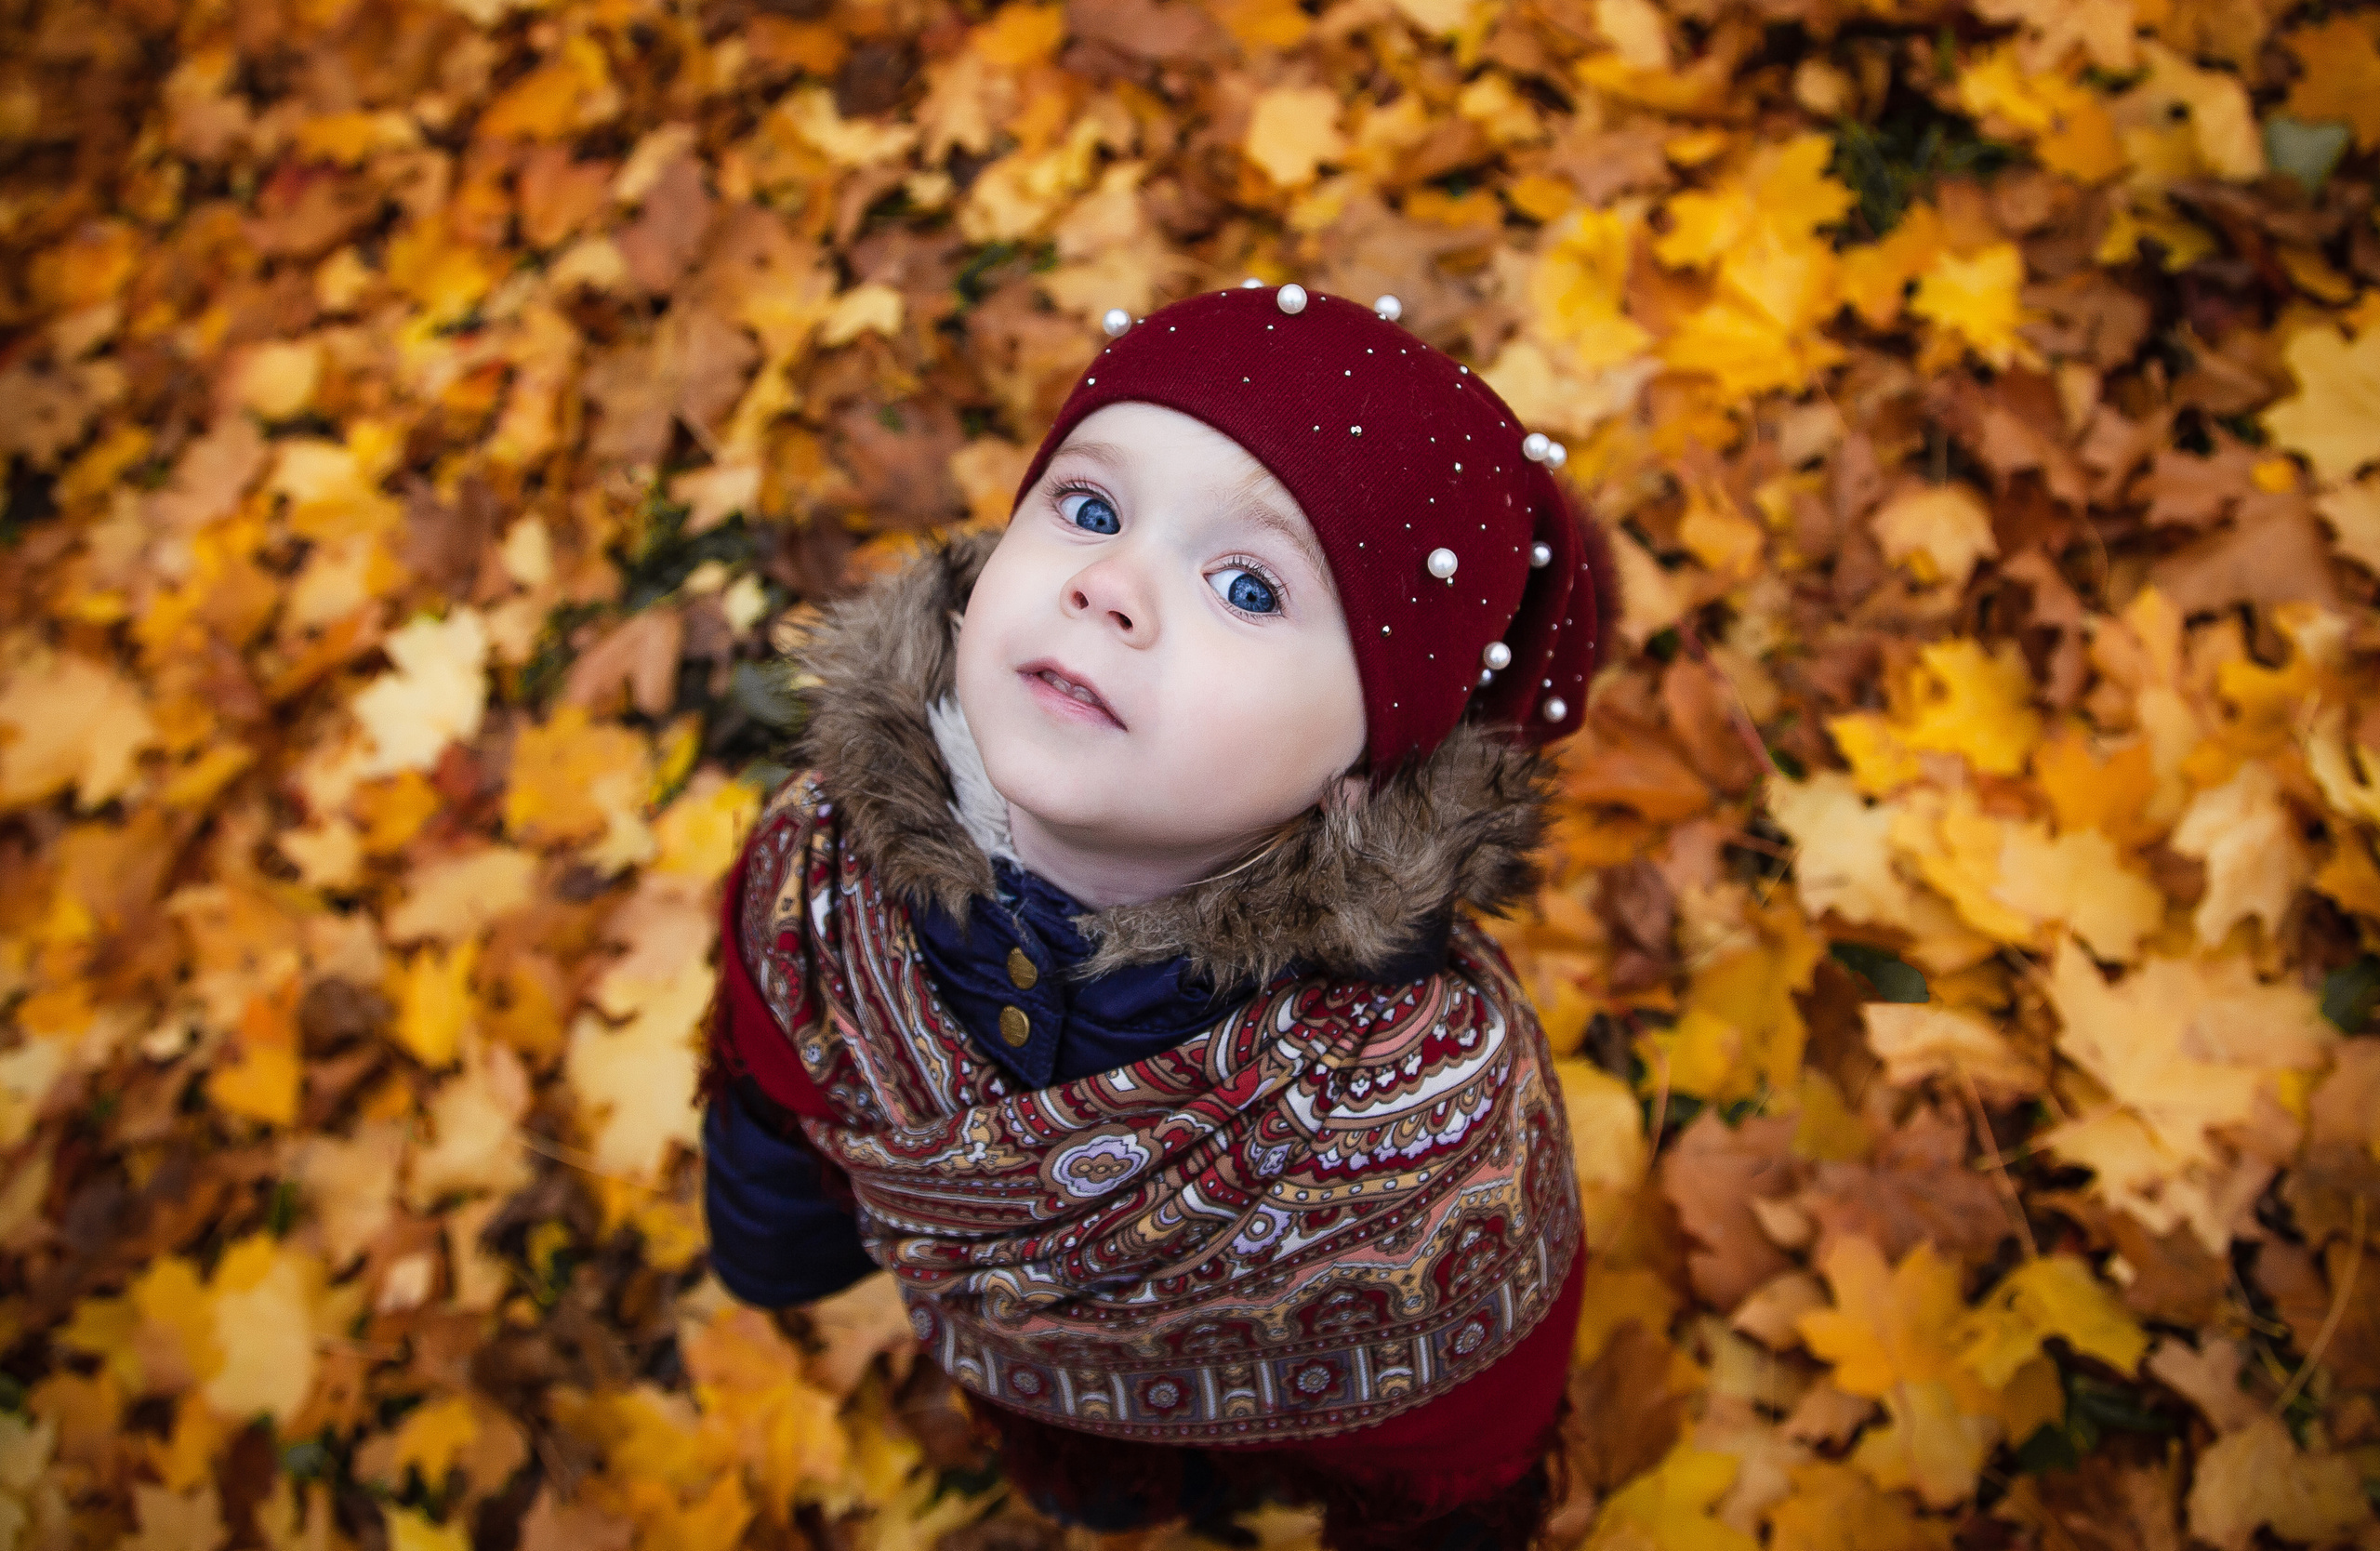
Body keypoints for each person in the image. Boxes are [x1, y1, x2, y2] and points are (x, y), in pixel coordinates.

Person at [700, 282, 1621, 1549]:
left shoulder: (1427, 1116)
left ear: (1374, 744)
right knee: (1088, 1495)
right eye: (1087, 508)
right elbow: (772, 1101)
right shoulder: (819, 879)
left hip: (1287, 1424)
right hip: (1024, 1397)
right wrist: (773, 1256)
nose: (1111, 584)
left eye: (1248, 588)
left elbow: (1460, 1428)